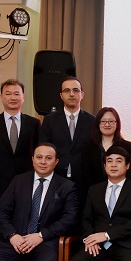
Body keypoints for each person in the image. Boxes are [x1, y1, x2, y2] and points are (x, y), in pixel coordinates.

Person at [0, 79, 40, 233]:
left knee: (25, 227)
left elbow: (39, 156)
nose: (13, 97)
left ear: (23, 97)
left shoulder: (34, 124)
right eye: (8, 93)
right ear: (1, 97)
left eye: (17, 94)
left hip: (27, 185)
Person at [39, 76, 96, 205]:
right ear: (61, 95)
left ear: (82, 94)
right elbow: (43, 149)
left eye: (75, 90)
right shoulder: (50, 120)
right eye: (67, 90)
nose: (71, 94)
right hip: (56, 180)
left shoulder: (92, 121)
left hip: (84, 182)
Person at [82, 107, 131, 190]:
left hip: (121, 191)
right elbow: (86, 173)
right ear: (98, 124)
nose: (107, 124)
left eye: (111, 121)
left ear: (117, 124)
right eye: (103, 121)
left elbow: (130, 173)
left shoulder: (126, 146)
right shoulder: (89, 146)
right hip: (94, 192)